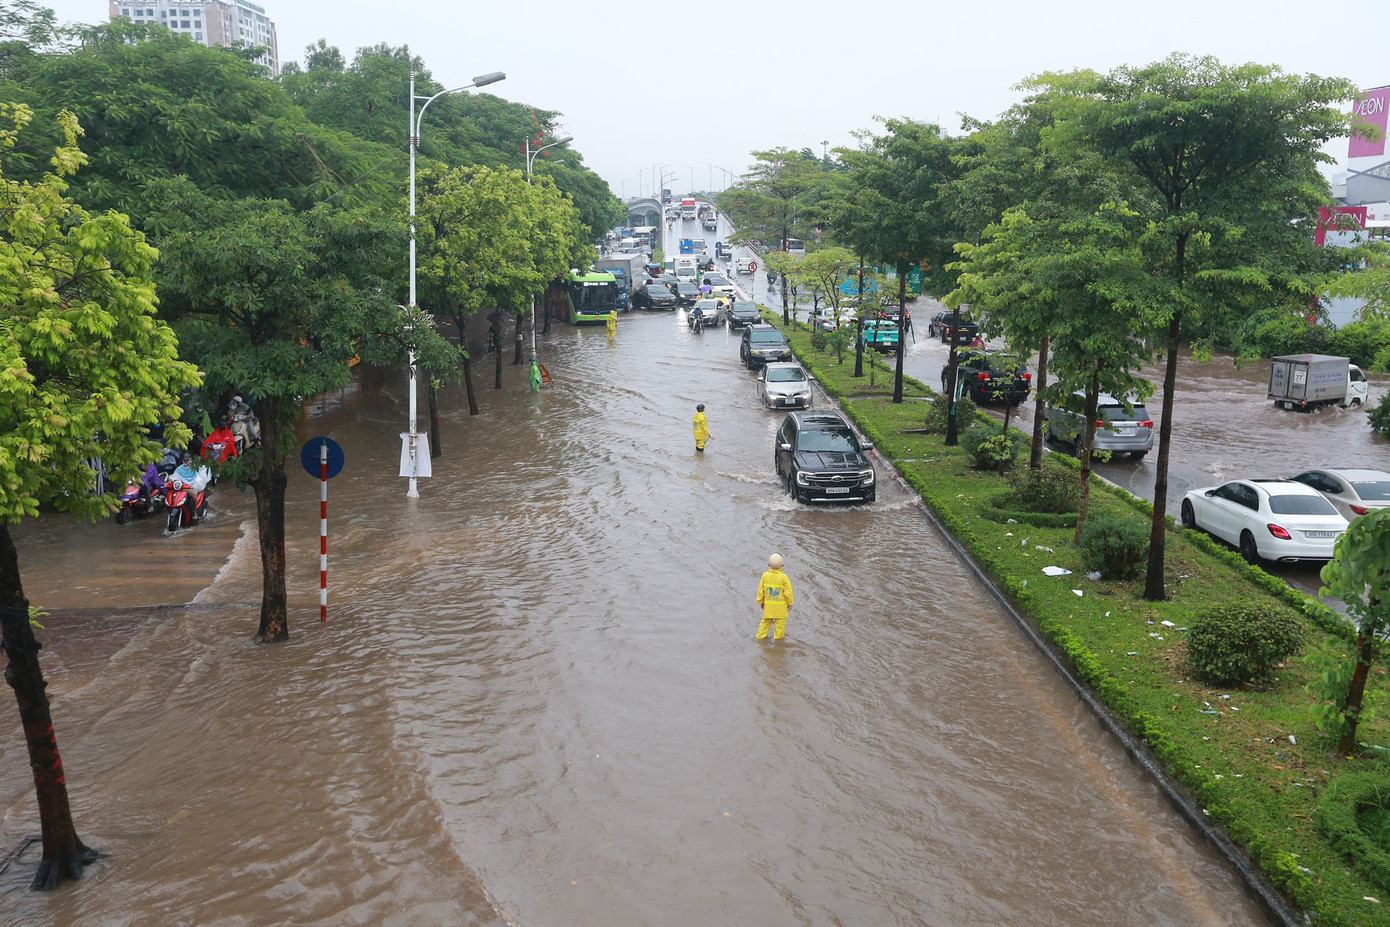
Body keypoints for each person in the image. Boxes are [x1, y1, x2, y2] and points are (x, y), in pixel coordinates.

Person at [756, 553, 794, 642]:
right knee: (780, 627)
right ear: (782, 565)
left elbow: (761, 591)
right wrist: (790, 603)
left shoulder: (765, 575)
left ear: (769, 564)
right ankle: (778, 643)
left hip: (768, 606)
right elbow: (788, 592)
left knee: (765, 623)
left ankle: (760, 639)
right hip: (781, 608)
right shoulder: (784, 577)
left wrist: (761, 602)